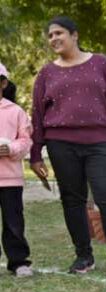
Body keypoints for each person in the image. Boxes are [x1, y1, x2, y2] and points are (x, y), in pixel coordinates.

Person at [30, 16, 106, 273]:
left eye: (58, 33)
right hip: (60, 143)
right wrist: (35, 155)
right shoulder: (46, 73)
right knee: (72, 200)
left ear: (75, 35)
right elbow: (37, 115)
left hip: (99, 141)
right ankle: (83, 256)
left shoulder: (101, 64)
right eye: (50, 35)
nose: (53, 38)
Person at [0, 62, 33, 277]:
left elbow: (26, 140)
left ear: (3, 83)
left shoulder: (15, 111)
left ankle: (18, 261)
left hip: (10, 180)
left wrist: (10, 148)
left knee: (13, 223)